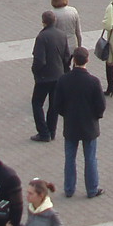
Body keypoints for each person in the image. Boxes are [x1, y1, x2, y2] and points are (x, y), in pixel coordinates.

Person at [53, 49, 105, 200]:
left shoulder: (63, 80)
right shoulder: (94, 81)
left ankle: (69, 189)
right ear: (87, 60)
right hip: (89, 126)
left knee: (70, 158)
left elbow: (57, 105)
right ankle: (92, 189)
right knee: (90, 158)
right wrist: (96, 117)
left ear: (74, 60)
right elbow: (100, 106)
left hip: (71, 125)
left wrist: (67, 114)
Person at [29, 13, 71, 144]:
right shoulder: (62, 35)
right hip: (58, 75)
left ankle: (43, 132)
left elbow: (39, 60)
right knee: (53, 105)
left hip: (44, 77)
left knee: (37, 103)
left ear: (43, 22)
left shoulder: (42, 37)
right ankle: (52, 131)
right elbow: (66, 56)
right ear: (55, 20)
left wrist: (35, 71)